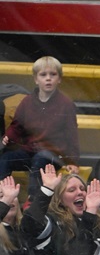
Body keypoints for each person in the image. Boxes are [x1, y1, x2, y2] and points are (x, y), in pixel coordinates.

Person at [1, 56, 80, 200]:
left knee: (40, 160)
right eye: (43, 75)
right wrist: (7, 138)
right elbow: (17, 127)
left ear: (59, 79)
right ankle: (2, 193)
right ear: (36, 79)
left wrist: (72, 161)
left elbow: (71, 134)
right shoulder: (27, 101)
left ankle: (33, 200)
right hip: (30, 150)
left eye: (53, 74)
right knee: (6, 159)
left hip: (53, 154)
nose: (48, 79)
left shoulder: (65, 104)